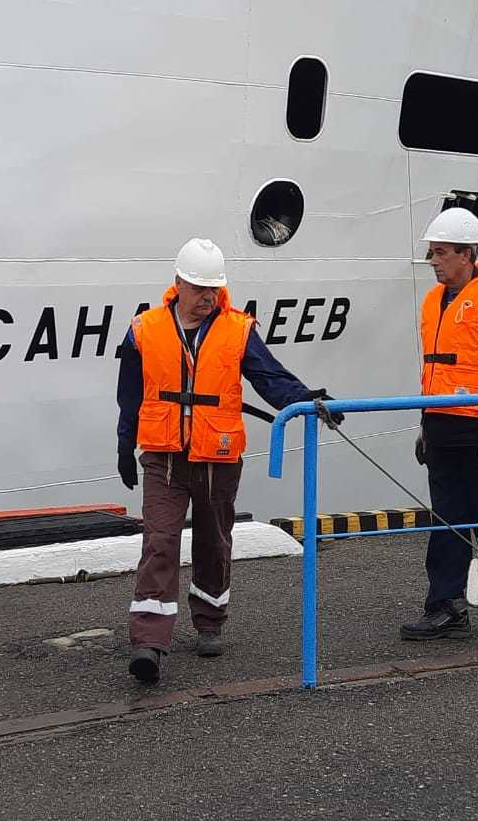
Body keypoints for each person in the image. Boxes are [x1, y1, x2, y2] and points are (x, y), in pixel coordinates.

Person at [116, 237, 341, 684]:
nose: (207, 298)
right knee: (159, 542)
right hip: (163, 458)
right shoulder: (144, 330)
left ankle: (210, 622)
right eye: (199, 288)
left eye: (214, 289)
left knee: (214, 541)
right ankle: (149, 641)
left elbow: (269, 377)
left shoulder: (237, 330)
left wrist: (307, 399)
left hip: (217, 458)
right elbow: (129, 395)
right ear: (178, 283)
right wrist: (125, 445)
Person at [401, 207, 478, 641]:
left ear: (467, 253)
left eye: (440, 253)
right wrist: (425, 424)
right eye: (433, 253)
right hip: (442, 430)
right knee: (448, 521)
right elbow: (435, 372)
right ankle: (447, 606)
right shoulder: (435, 301)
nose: (434, 261)